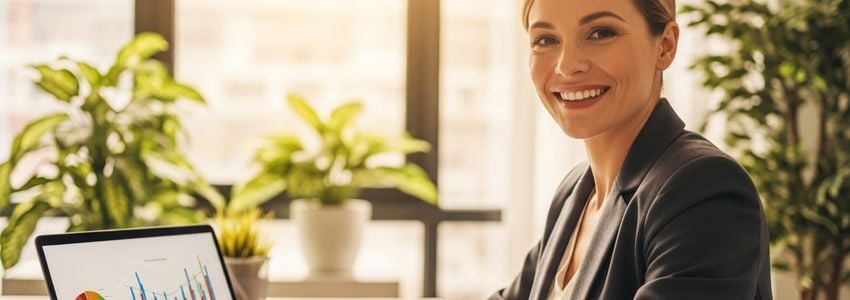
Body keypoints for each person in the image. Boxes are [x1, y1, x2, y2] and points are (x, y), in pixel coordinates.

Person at [489, 0, 772, 299]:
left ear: (665, 46)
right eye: (546, 40)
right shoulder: (576, 192)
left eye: (600, 33)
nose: (567, 65)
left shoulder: (703, 189)